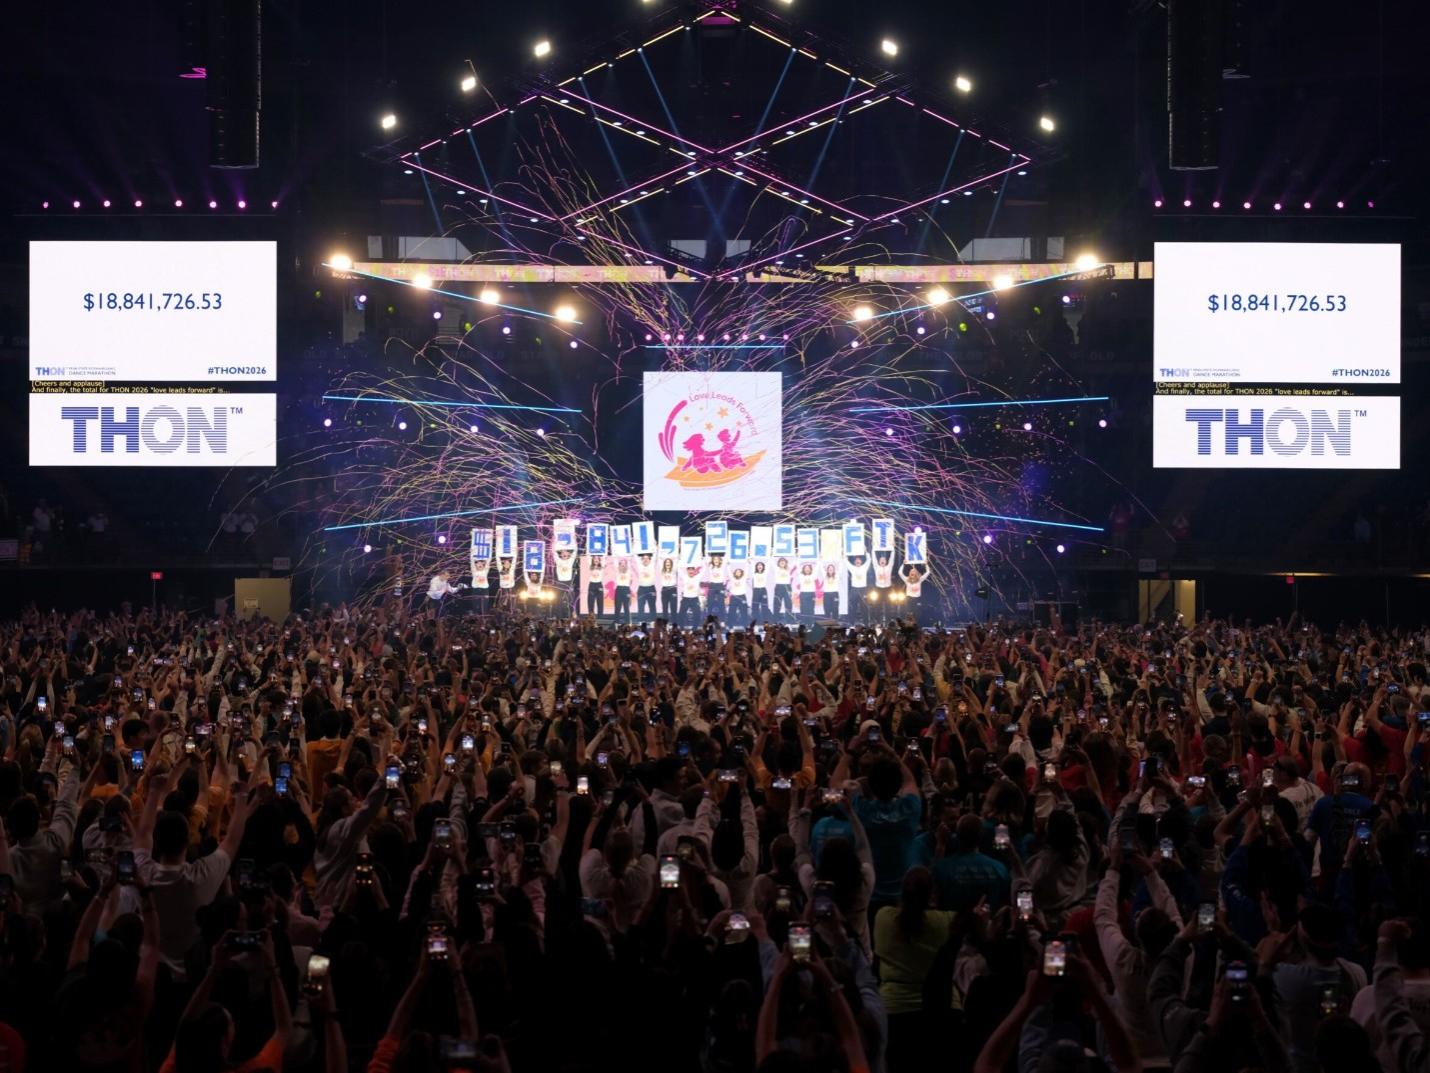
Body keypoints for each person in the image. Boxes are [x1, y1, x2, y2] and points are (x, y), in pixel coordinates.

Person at [873, 867, 956, 1071]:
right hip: (942, 1011)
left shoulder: (883, 917)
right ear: (932, 894)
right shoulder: (947, 921)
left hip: (894, 1009)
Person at [635, 552, 658, 619]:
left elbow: (655, 555)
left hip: (651, 589)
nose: (645, 560)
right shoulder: (640, 566)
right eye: (644, 558)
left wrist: (655, 547)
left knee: (652, 606)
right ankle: (641, 621)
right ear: (641, 560)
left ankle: (653, 621)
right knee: (640, 607)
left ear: (650, 560)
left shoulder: (652, 565)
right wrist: (634, 547)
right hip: (641, 589)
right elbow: (635, 555)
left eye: (647, 558)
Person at [706, 554, 727, 620]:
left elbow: (726, 557)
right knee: (710, 602)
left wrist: (727, 547)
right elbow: (706, 556)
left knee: (721, 603)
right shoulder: (710, 566)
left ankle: (722, 620)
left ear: (720, 560)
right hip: (712, 585)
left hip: (720, 585)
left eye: (717, 559)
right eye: (714, 559)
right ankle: (709, 619)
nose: (716, 560)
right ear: (712, 560)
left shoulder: (722, 566)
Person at [772, 557, 793, 621]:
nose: (782, 562)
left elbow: (795, 562)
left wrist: (797, 556)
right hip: (779, 587)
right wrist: (771, 555)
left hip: (787, 587)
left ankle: (789, 619)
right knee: (777, 603)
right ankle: (776, 619)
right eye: (781, 561)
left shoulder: (788, 569)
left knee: (788, 603)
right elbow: (771, 561)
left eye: (784, 561)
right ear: (778, 563)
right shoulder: (776, 568)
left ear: (786, 563)